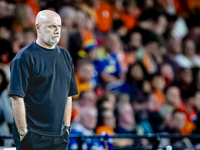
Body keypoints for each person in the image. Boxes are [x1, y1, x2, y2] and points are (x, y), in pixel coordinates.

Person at [9, 10, 78, 150]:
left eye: (59, 26)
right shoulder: (24, 57)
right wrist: (23, 132)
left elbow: (69, 95)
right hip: (33, 136)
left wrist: (66, 128)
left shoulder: (65, 56)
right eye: (51, 26)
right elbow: (17, 97)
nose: (57, 30)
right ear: (38, 27)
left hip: (59, 136)